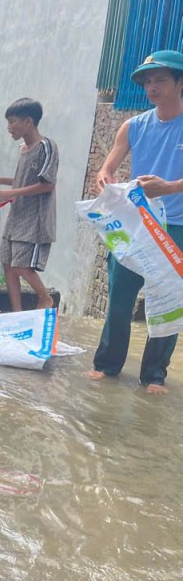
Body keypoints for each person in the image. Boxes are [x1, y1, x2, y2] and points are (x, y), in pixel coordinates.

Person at [88, 49, 183, 394]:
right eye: (147, 81)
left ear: (180, 82)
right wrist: (104, 177)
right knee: (120, 297)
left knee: (168, 300)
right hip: (136, 225)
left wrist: (170, 187)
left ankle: (154, 374)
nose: (152, 87)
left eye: (160, 79)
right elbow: (108, 167)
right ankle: (107, 365)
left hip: (177, 227)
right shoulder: (134, 126)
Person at [0, 98, 58, 311]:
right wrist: (1, 181)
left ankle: (45, 298)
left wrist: (10, 193)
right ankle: (17, 314)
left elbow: (47, 185)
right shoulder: (23, 148)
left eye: (12, 121)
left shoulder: (47, 146)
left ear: (28, 122)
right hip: (17, 216)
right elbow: (24, 180)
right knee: (8, 265)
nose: (9, 127)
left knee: (20, 265)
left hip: (35, 219)